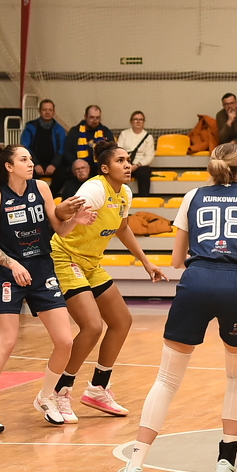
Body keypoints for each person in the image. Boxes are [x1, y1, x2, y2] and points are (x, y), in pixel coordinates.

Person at [110, 142, 237, 472]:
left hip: (197, 281)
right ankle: (226, 463)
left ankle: (134, 468)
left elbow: (177, 260)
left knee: (167, 380)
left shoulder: (193, 196)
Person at [45, 141, 168, 423]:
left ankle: (98, 388)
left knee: (122, 321)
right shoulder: (94, 190)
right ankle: (60, 390)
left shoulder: (124, 193)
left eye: (128, 160)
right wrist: (65, 210)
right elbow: (61, 215)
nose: (127, 165)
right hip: (66, 258)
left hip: (91, 262)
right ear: (104, 168)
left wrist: (146, 261)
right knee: (92, 326)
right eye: (120, 161)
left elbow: (123, 228)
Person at [0, 146, 80, 433]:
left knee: (65, 341)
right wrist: (13, 264)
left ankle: (46, 397)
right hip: (12, 274)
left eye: (31, 159)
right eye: (24, 159)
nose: (31, 163)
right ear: (9, 167)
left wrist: (75, 221)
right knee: (7, 343)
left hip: (43, 270)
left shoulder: (42, 188)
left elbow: (59, 229)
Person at [20, 99, 66, 177]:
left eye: (50, 110)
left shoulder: (59, 129)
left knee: (62, 175)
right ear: (39, 111)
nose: (47, 112)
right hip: (33, 164)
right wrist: (35, 164)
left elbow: (62, 149)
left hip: (54, 165)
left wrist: (54, 164)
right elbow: (25, 147)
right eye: (44, 110)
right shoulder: (30, 127)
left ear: (54, 112)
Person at [64, 105, 113, 175]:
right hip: (79, 167)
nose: (94, 120)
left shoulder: (106, 132)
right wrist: (78, 163)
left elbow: (112, 151)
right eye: (92, 117)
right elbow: (67, 151)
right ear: (85, 117)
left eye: (97, 118)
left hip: (99, 167)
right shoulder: (75, 131)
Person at [122, 111, 156, 196]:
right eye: (135, 119)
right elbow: (118, 150)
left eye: (141, 119)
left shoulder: (148, 137)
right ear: (131, 121)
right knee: (117, 172)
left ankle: (143, 198)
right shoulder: (124, 134)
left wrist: (137, 165)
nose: (138, 121)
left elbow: (149, 156)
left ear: (144, 122)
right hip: (125, 163)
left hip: (140, 165)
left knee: (144, 172)